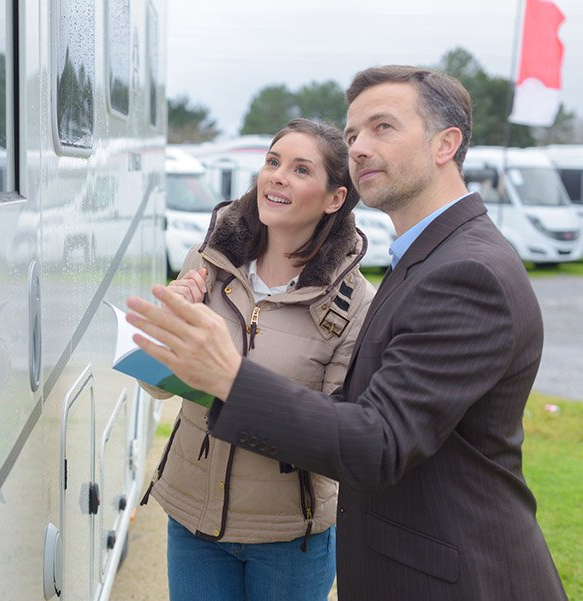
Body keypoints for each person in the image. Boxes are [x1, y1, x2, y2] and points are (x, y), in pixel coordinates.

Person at [127, 66, 568, 601]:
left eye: (383, 127)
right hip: (204, 520)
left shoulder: (464, 272)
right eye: (355, 132)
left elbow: (376, 442)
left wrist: (229, 376)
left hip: (445, 575)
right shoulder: (423, 258)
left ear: (445, 144)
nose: (359, 146)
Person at [140, 119, 375, 601]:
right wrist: (174, 322)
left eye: (300, 168)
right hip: (193, 521)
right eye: (273, 161)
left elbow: (335, 436)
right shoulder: (205, 262)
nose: (277, 176)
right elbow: (158, 387)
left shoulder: (356, 303)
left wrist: (230, 377)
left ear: (335, 199)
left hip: (290, 538)